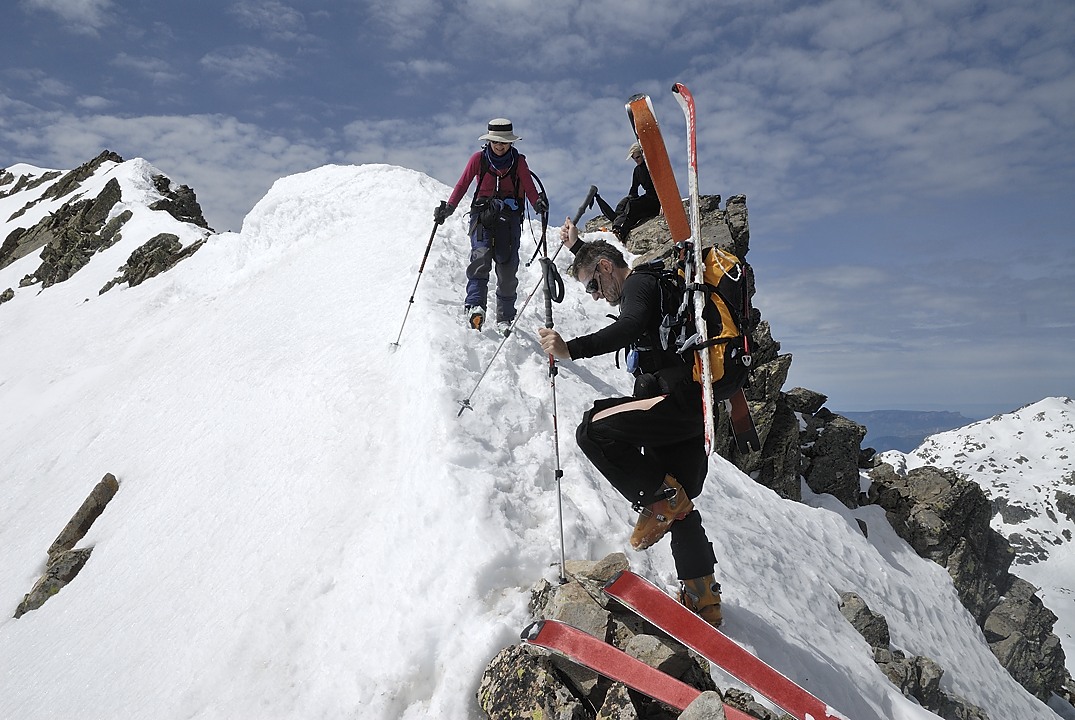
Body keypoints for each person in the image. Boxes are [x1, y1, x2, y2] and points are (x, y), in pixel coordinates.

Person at [536, 217, 723, 627]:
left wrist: (572, 349)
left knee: (593, 429)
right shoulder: (645, 284)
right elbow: (605, 276)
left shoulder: (639, 282)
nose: (596, 297)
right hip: (694, 408)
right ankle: (703, 595)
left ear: (606, 268)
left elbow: (631, 324)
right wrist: (576, 246)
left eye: (592, 285)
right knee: (680, 504)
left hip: (672, 401)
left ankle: (658, 501)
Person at [434, 118, 547, 336]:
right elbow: (462, 184)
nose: (499, 146)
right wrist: (449, 208)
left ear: (511, 143)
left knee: (507, 267)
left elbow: (529, 187)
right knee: (480, 257)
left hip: (509, 219)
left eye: (503, 142)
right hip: (482, 217)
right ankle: (475, 306)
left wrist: (537, 203)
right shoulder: (479, 159)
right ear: (489, 141)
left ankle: (505, 316)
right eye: (496, 141)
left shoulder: (519, 162)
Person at [593, 142, 661, 243]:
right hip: (647, 198)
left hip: (657, 200)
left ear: (643, 154)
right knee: (625, 204)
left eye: (637, 157)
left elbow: (663, 184)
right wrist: (628, 200)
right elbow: (634, 190)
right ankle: (617, 228)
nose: (636, 160)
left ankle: (620, 232)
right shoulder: (637, 171)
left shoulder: (651, 166)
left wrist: (664, 204)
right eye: (634, 159)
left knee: (632, 205)